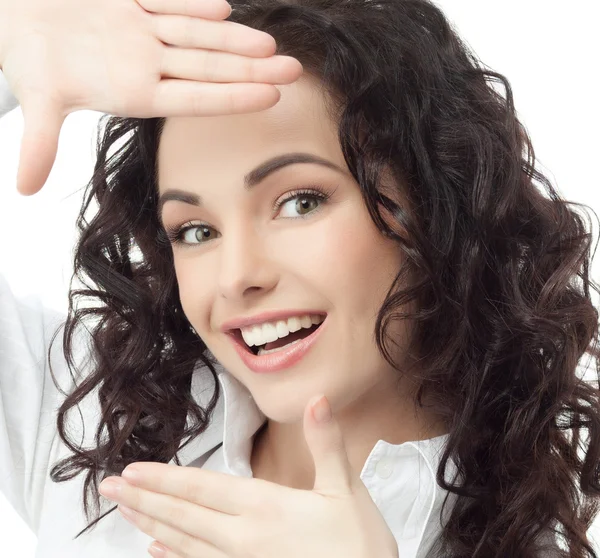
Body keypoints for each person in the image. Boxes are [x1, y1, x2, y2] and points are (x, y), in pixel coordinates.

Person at [1, 0, 599, 557]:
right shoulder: (93, 421)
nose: (237, 278)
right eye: (195, 231)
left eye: (300, 201)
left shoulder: (520, 541)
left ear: (437, 204)